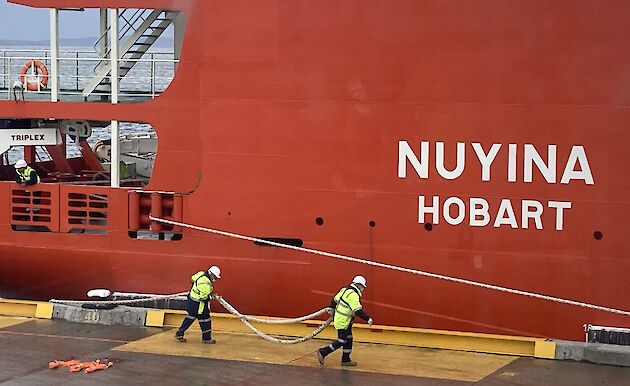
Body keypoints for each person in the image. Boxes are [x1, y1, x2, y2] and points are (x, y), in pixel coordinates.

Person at [317, 275, 373, 367]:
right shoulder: (353, 295)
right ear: (359, 285)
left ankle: (346, 360)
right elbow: (357, 310)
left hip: (343, 320)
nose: (363, 289)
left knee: (349, 339)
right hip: (343, 321)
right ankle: (323, 352)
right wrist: (368, 319)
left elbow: (334, 300)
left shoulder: (345, 290)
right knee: (342, 340)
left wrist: (331, 307)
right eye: (363, 286)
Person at [175, 265, 221, 344]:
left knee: (191, 318)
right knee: (205, 320)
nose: (215, 279)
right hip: (199, 305)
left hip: (192, 301)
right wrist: (212, 297)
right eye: (215, 277)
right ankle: (206, 338)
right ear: (211, 274)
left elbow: (192, 279)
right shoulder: (206, 283)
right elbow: (203, 298)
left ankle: (180, 334)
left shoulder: (201, 274)